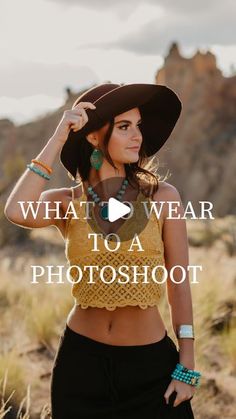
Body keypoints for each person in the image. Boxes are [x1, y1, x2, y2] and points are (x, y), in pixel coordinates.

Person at [4, 83, 201, 418]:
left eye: (138, 126)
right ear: (94, 137)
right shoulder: (68, 202)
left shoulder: (162, 198)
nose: (137, 136)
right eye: (124, 127)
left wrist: (187, 364)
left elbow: (178, 282)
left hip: (149, 368)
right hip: (81, 368)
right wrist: (58, 139)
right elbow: (17, 210)